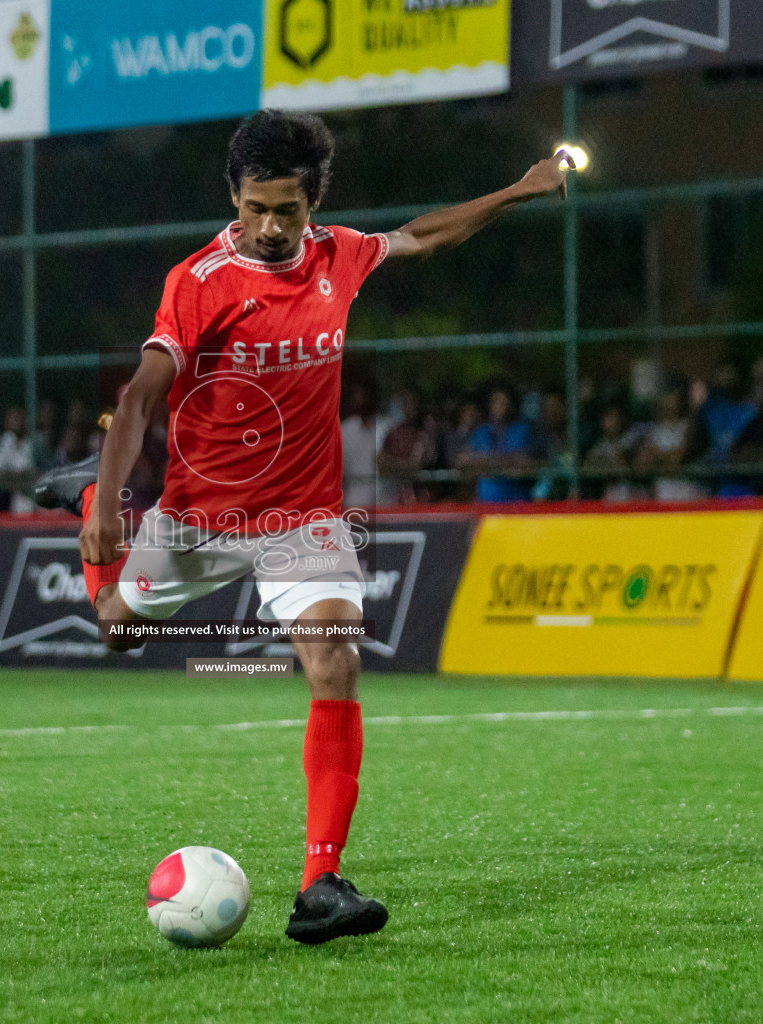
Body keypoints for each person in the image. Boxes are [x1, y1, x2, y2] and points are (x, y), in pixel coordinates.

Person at [32, 109, 571, 944]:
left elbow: (424, 237)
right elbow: (140, 396)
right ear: (234, 201)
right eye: (256, 209)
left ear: (312, 203)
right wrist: (104, 500)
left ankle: (321, 882)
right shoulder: (199, 280)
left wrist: (520, 189)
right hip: (199, 515)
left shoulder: (339, 256)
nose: (272, 227)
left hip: (303, 517)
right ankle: (78, 503)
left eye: (288, 209)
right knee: (117, 634)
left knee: (334, 657)